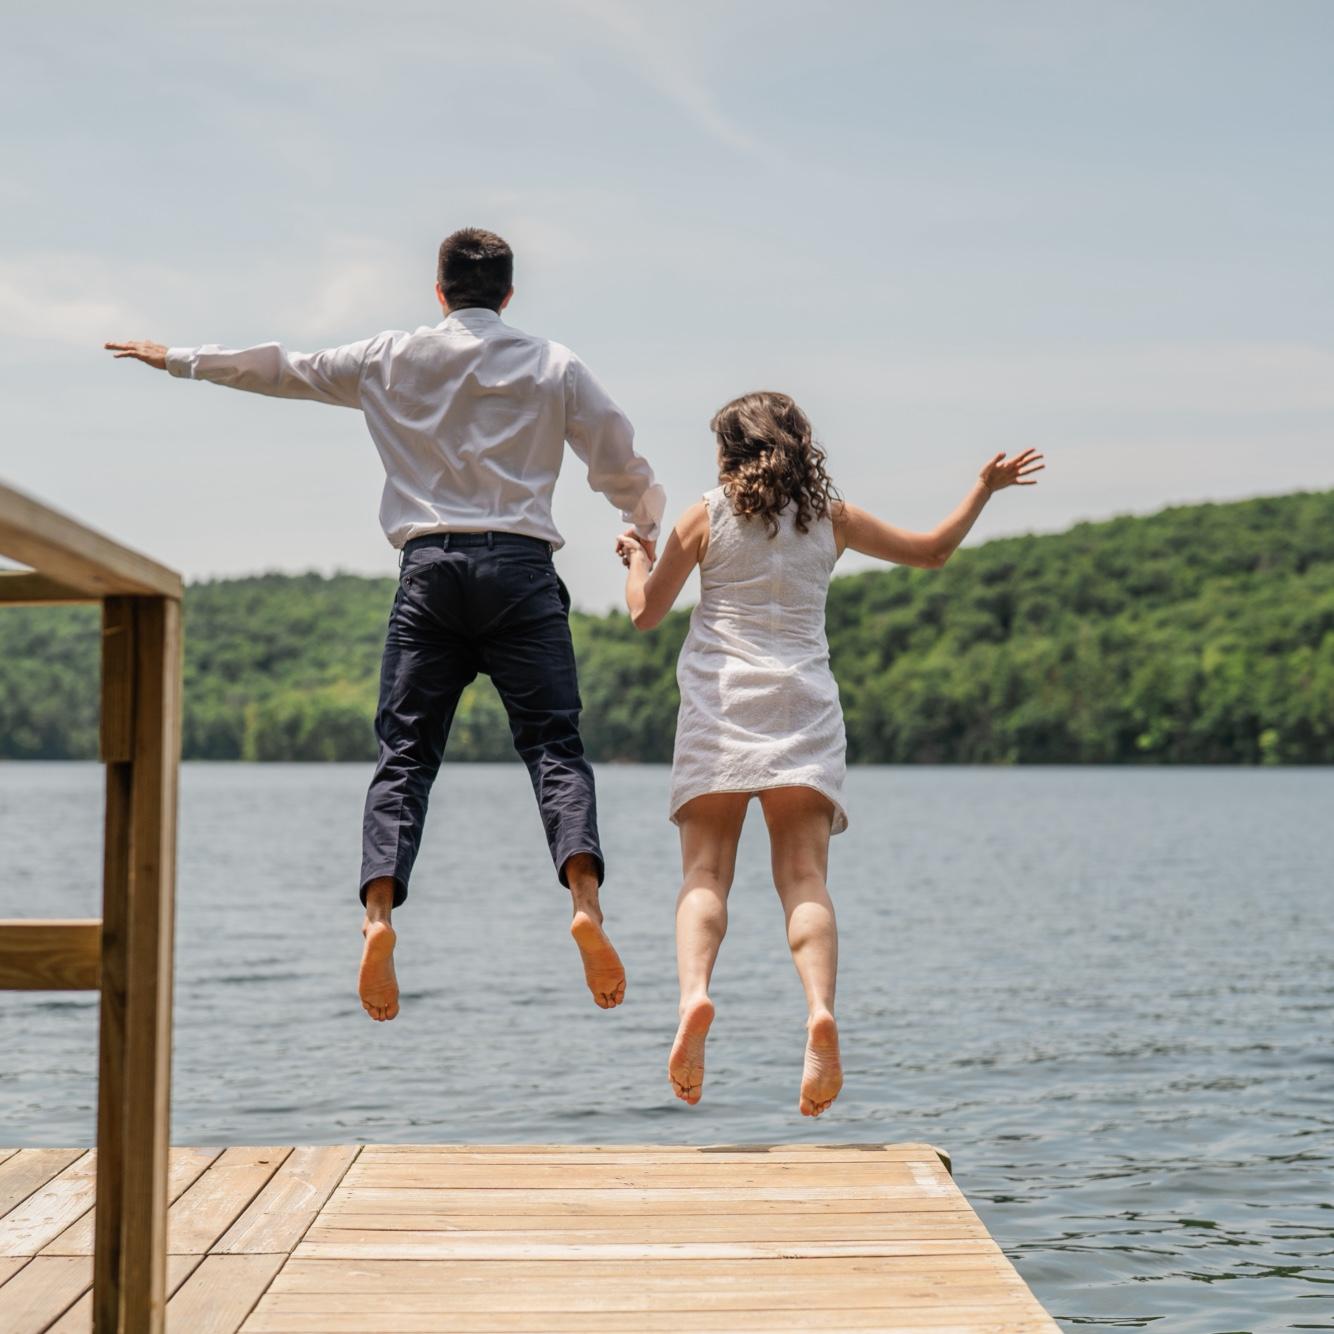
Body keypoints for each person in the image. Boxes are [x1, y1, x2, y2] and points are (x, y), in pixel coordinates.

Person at [106, 227, 666, 1023]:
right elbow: (621, 461)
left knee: (404, 757)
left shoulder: (389, 356)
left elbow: (281, 369)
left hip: (430, 571)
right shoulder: (552, 364)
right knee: (553, 747)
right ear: (508, 294)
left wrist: (178, 357)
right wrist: (642, 524)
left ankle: (378, 919)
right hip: (520, 573)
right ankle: (585, 905)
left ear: (438, 292)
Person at [616, 391, 1042, 1116]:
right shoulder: (829, 519)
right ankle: (819, 1011)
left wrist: (637, 558)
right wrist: (983, 489)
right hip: (803, 710)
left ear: (729, 452)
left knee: (705, 872)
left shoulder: (704, 514)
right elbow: (932, 551)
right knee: (805, 877)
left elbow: (644, 614)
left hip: (721, 708)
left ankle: (695, 998)